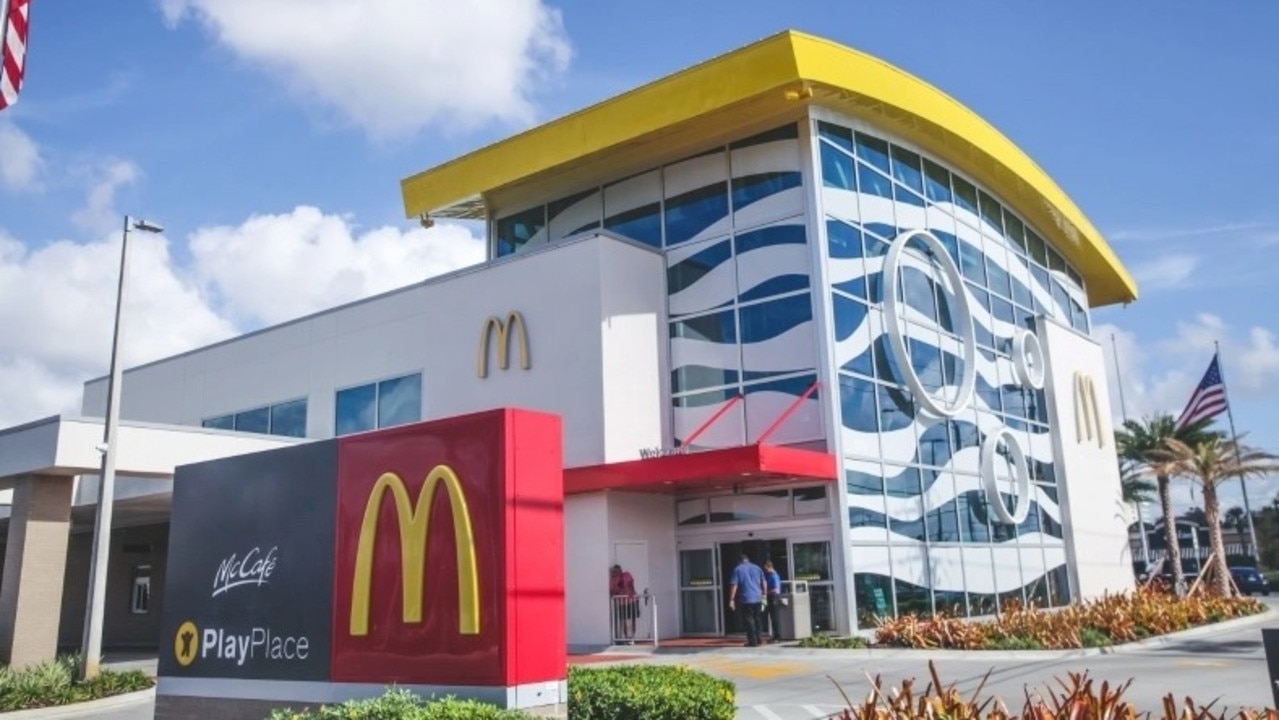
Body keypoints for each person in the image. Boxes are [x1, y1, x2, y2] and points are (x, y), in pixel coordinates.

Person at [727, 553, 767, 647]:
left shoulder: (737, 569)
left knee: (749, 620)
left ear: (739, 561)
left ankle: (752, 641)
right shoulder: (757, 568)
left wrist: (731, 599)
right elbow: (764, 582)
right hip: (758, 597)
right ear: (747, 559)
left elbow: (734, 585)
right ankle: (759, 639)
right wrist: (764, 595)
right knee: (757, 619)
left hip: (746, 598)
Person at [609, 564, 638, 642]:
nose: (617, 572)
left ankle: (632, 637)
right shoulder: (613, 580)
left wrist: (632, 592)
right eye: (615, 571)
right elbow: (612, 592)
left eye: (618, 570)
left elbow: (631, 584)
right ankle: (626, 637)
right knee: (623, 619)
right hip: (622, 603)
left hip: (632, 600)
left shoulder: (626, 575)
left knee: (633, 619)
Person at [763, 560, 783, 642]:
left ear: (770, 567)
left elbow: (776, 590)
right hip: (771, 597)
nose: (765, 571)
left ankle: (777, 636)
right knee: (772, 617)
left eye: (766, 569)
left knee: (775, 618)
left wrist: (766, 592)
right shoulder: (770, 575)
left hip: (774, 597)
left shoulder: (774, 576)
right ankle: (775, 635)